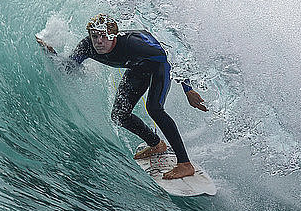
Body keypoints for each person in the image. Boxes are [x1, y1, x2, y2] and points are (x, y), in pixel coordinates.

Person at [36, 14, 208, 179]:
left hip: (158, 65)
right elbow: (71, 68)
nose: (99, 41)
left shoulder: (134, 45)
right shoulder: (87, 46)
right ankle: (156, 145)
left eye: (103, 36)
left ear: (114, 36)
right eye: (94, 36)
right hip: (137, 68)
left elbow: (172, 56)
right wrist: (52, 54)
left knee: (155, 109)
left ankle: (185, 164)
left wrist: (188, 89)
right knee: (119, 115)